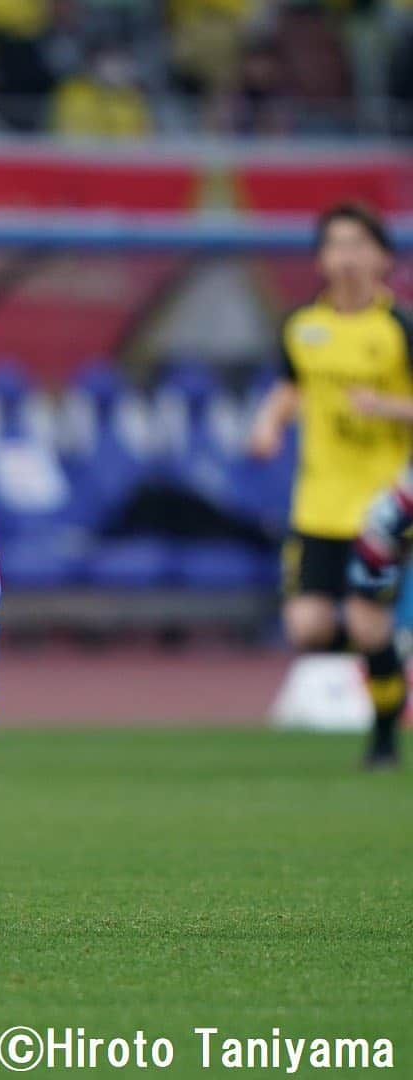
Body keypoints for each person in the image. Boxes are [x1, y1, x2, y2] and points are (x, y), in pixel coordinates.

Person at [249, 202, 413, 768]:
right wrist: (270, 422)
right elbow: (294, 385)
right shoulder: (303, 327)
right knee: (308, 625)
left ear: (383, 258)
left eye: (359, 244)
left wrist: (389, 407)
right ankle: (388, 655)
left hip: (382, 507)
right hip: (318, 502)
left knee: (367, 621)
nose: (347, 257)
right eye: (336, 245)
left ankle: (386, 738)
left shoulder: (399, 329)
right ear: (321, 258)